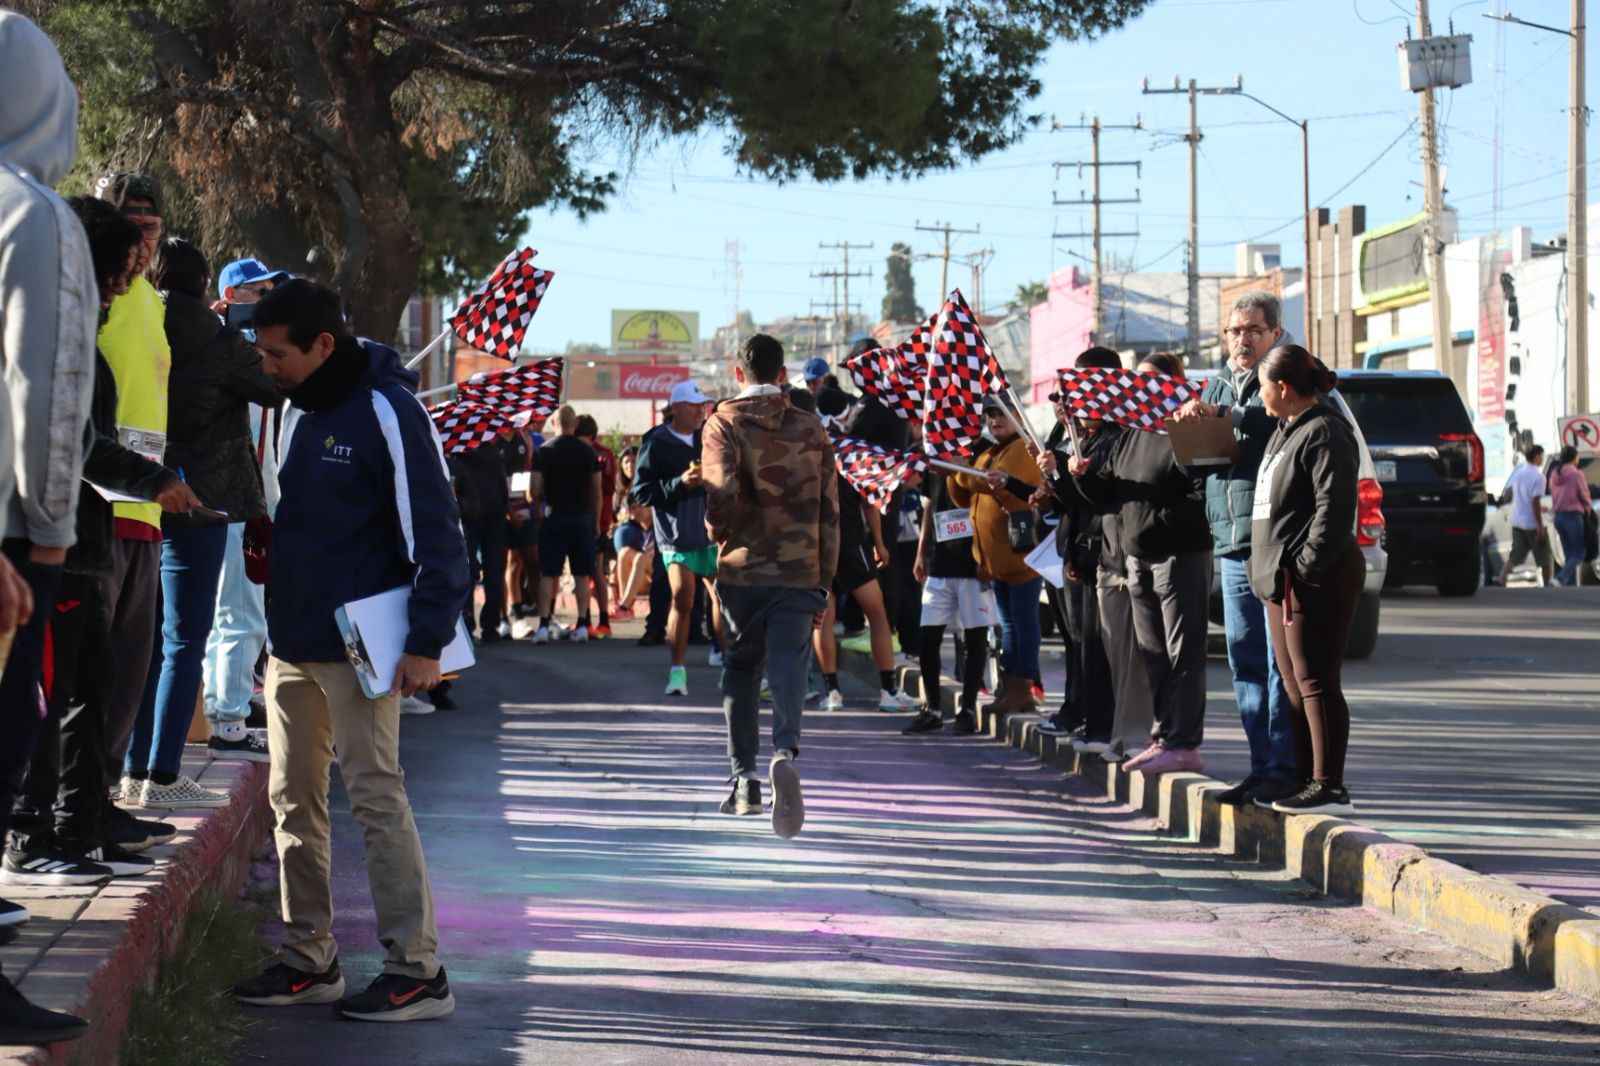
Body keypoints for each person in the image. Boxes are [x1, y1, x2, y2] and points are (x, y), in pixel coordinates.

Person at [231, 278, 468, 1021]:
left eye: (278, 354)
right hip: (292, 644)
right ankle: (309, 958)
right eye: (262, 352)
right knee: (291, 800)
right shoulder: (295, 410)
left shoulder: (390, 410)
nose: (267, 366)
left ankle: (418, 972)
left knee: (375, 796)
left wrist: (426, 642)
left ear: (324, 344)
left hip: (366, 648)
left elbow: (437, 532)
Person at [8, 199, 202, 890]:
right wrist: (152, 479)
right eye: (115, 272)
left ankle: (80, 825)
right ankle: (31, 834)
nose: (122, 287)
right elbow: (77, 444)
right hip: (45, 547)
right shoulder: (46, 339)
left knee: (91, 687)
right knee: (47, 696)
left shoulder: (79, 339)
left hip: (80, 545)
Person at [0, 10, 101, 1047]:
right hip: (10, 545)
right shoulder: (32, 215)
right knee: (7, 736)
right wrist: (49, 536)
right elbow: (49, 386)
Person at [119, 239, 282, 809]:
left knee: (141, 640)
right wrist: (243, 338)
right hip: (203, 499)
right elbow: (273, 386)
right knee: (185, 640)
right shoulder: (220, 341)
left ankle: (131, 769)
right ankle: (163, 776)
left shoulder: (136, 327)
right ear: (205, 285)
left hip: (137, 492)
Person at [703, 334, 838, 837]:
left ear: (738, 373)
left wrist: (716, 531)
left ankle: (745, 781)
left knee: (741, 669)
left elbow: (721, 491)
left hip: (744, 570)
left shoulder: (722, 423)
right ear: (783, 374)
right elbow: (831, 510)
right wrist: (825, 582)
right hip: (801, 569)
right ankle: (785, 750)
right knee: (789, 664)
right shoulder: (811, 426)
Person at [1170, 290, 1299, 807]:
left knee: (1277, 663)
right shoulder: (1216, 383)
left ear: (1274, 333)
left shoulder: (1287, 376)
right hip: (1228, 540)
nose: (1242, 340)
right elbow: (1196, 466)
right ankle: (1260, 767)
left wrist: (1226, 413)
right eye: (1234, 331)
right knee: (1244, 663)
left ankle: (1286, 769)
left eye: (1253, 330)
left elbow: (1280, 423)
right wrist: (1187, 436)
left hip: (1271, 542)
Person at [1070, 352, 1211, 776]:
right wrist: (1080, 474)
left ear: (1174, 384)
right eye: (1138, 380)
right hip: (1138, 558)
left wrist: (1157, 523)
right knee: (1154, 654)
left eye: (1152, 380)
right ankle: (1162, 736)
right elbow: (1108, 491)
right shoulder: (1132, 433)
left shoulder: (1191, 427)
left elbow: (1204, 494)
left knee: (1182, 653)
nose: (1143, 388)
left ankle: (1184, 742)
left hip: (1178, 555)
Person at [1248, 346, 1363, 815]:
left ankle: (1329, 786)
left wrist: (1307, 566)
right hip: (1280, 581)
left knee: (1315, 680)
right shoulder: (1285, 430)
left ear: (1282, 387)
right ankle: (1303, 778)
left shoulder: (1324, 430)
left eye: (1261, 387)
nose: (1259, 396)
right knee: (1294, 684)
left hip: (1313, 579)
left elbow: (1334, 507)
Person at [91, 171, 175, 813]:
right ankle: (66, 810)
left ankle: (101, 800)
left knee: (129, 670)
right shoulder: (89, 295)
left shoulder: (148, 298)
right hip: (91, 504)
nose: (141, 238)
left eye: (151, 225)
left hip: (147, 506)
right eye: (129, 223)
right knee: (87, 674)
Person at [202, 258, 286, 754]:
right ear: (232, 297)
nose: (269, 299)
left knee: (230, 610)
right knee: (239, 610)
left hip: (243, 497)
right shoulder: (224, 348)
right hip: (232, 496)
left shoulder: (249, 349)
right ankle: (229, 720)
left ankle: (224, 705)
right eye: (260, 291)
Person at [1035, 347, 1123, 748]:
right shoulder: (1074, 434)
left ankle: (1104, 724)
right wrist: (1051, 483)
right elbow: (1070, 496)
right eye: (1060, 395)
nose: (1067, 401)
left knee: (1102, 645)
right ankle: (1084, 716)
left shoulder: (1116, 434)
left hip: (1106, 551)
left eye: (1072, 391)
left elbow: (1097, 493)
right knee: (1081, 640)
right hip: (1076, 548)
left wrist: (1062, 474)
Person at [814, 387, 916, 712]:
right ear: (845, 414)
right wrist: (880, 543)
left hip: (816, 545)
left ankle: (832, 692)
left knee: (823, 618)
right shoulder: (851, 450)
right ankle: (888, 691)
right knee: (877, 614)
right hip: (851, 542)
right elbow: (870, 500)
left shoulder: (805, 448)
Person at [949, 398, 1043, 715]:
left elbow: (988, 482)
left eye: (1002, 413)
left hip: (1021, 557)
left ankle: (1023, 687)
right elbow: (963, 495)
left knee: (1022, 624)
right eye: (989, 415)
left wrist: (957, 467)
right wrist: (952, 470)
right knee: (1009, 625)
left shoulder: (1022, 449)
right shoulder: (990, 451)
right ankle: (1009, 686)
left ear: (1018, 416)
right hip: (999, 561)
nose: (994, 420)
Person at [633, 381, 721, 695]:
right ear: (677, 408)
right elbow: (642, 492)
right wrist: (679, 482)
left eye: (703, 406)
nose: (701, 411)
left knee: (721, 598)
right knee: (683, 598)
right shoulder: (656, 442)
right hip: (676, 533)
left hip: (712, 531)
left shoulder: (709, 437)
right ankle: (677, 672)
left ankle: (726, 662)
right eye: (695, 406)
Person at [900, 467, 996, 736]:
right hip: (939, 564)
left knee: (975, 639)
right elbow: (928, 509)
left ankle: (968, 709)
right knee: (928, 638)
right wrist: (921, 553)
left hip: (974, 566)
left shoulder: (981, 458)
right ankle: (933, 709)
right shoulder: (935, 464)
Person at [529, 405, 600, 643]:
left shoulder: (543, 451)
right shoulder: (588, 452)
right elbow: (597, 491)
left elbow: (534, 490)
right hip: (582, 517)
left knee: (548, 573)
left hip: (554, 515)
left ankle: (543, 624)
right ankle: (582, 624)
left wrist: (539, 497)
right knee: (582, 573)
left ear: (553, 423)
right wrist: (596, 522)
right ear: (575, 424)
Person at [575, 414, 617, 637]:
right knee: (585, 571)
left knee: (596, 569)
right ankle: (587, 620)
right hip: (585, 517)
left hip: (598, 519)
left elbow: (607, 487)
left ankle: (603, 620)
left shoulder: (602, 454)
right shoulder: (593, 453)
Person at [1499, 445, 1552, 588]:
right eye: (1541, 456)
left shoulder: (1518, 475)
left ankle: (1502, 579)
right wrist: (1539, 525)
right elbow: (1535, 501)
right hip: (1532, 523)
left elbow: (1524, 499)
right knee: (1545, 558)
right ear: (1537, 457)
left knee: (1515, 556)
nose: (1542, 459)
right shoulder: (1539, 477)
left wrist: (1541, 508)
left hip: (1518, 521)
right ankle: (1548, 586)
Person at [1548, 446, 1593, 586]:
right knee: (1579, 552)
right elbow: (1584, 494)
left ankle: (1570, 586)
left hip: (1558, 517)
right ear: (1574, 458)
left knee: (1569, 554)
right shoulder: (1577, 474)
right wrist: (1588, 510)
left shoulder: (1554, 474)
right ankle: (1560, 578)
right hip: (1573, 516)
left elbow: (1552, 494)